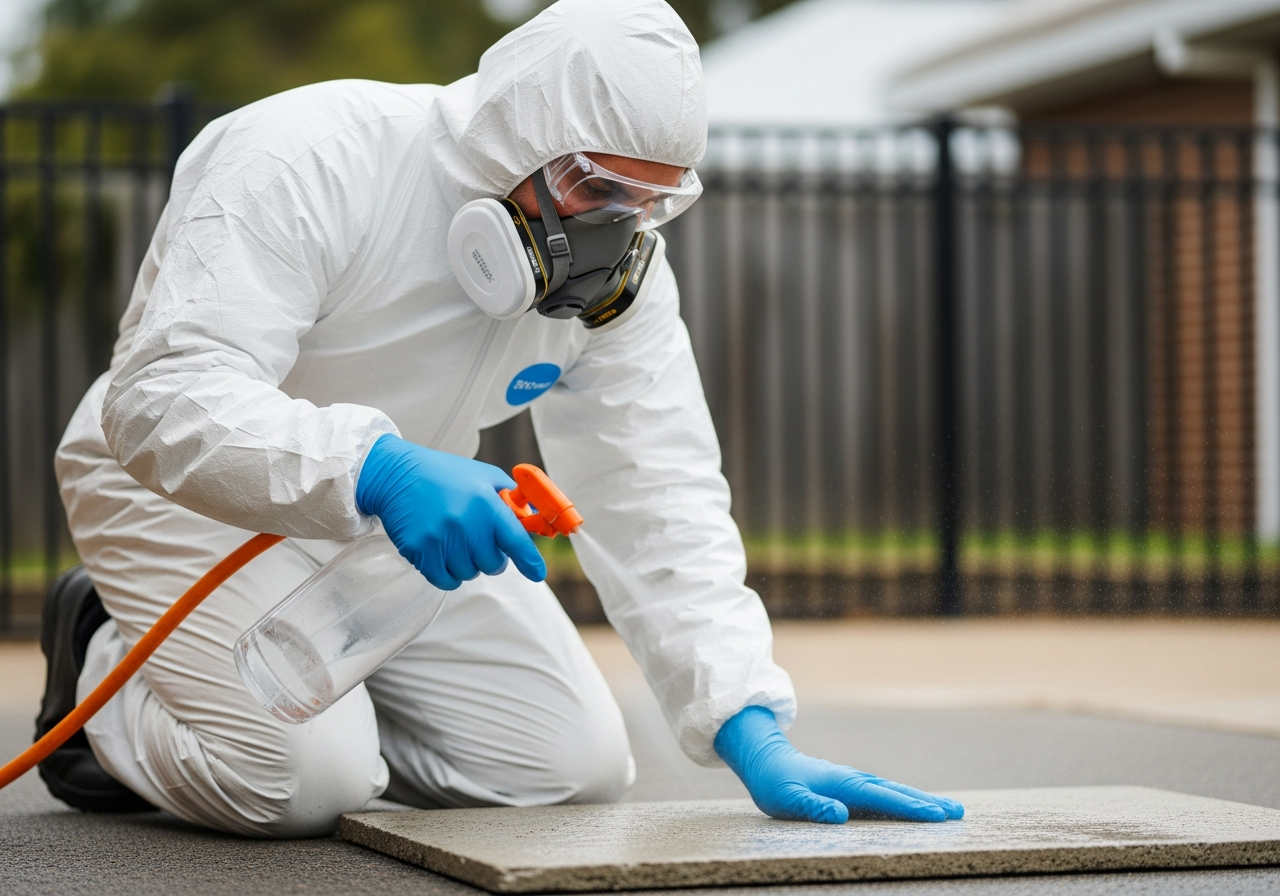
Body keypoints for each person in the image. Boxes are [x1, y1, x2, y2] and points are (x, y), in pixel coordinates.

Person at [42, 0, 963, 836]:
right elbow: (164, 393)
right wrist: (380, 469)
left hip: (391, 516)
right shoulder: (308, 154)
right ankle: (105, 669)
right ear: (514, 136)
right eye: (596, 189)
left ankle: (333, 732)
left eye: (652, 200)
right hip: (184, 492)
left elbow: (654, 483)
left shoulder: (623, 279)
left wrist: (747, 721)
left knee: (571, 770)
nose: (620, 228)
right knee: (296, 786)